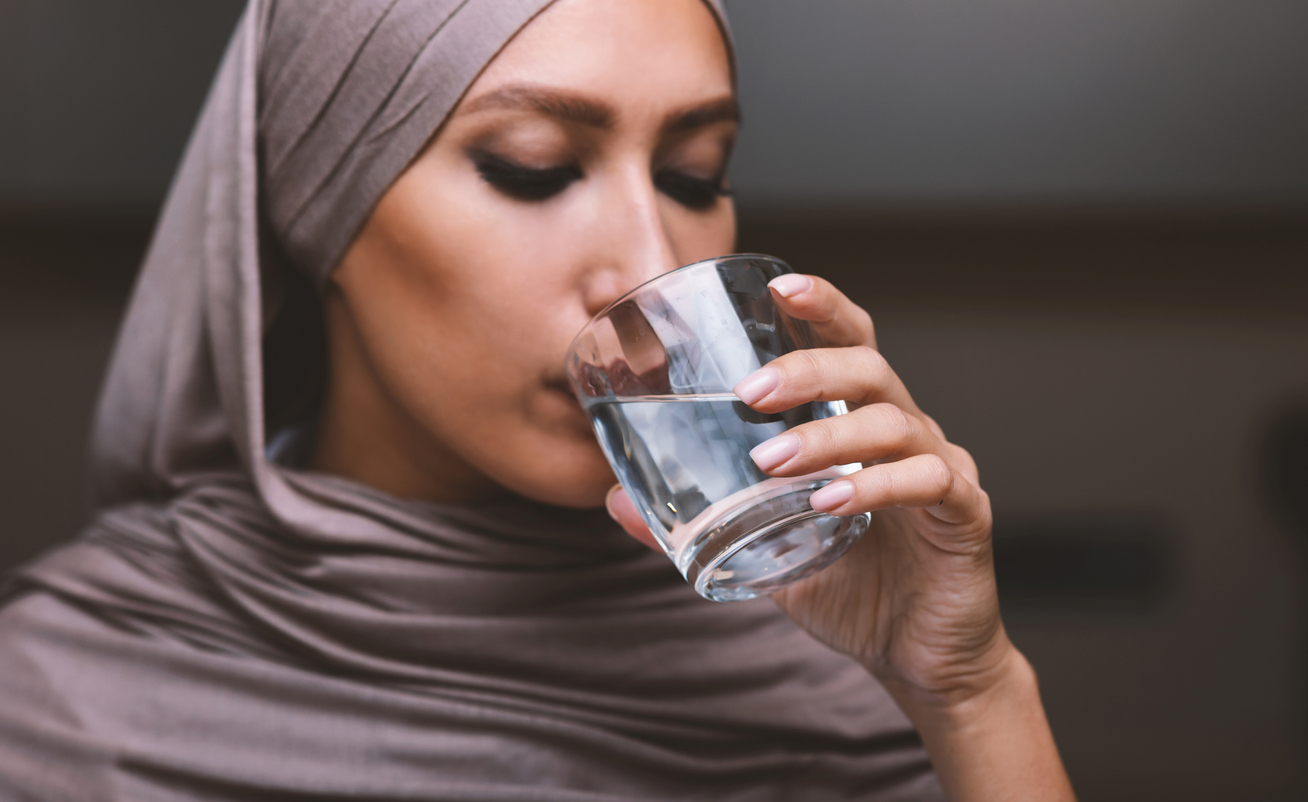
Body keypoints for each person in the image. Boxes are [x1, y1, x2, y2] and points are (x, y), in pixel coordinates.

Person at [0, 0, 1075, 799]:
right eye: (532, 166)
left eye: (696, 176)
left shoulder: (826, 654)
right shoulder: (60, 706)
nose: (647, 273)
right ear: (310, 202)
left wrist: (972, 694)